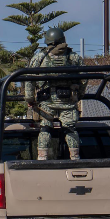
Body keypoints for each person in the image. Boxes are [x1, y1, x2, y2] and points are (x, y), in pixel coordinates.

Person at [25, 27, 84, 160]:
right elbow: (84, 78)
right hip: (68, 102)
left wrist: (29, 98)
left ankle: (42, 158)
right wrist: (79, 95)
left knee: (45, 129)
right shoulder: (73, 57)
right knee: (70, 129)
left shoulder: (40, 57)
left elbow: (28, 78)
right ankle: (75, 157)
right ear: (63, 39)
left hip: (45, 102)